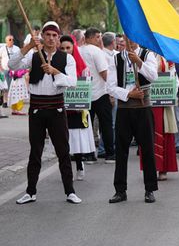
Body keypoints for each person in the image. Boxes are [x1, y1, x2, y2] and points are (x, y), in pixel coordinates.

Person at [10, 21, 82, 204]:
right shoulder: (33, 56)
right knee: (35, 151)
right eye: (47, 35)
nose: (51, 38)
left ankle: (70, 191)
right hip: (36, 109)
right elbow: (12, 65)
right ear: (42, 36)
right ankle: (30, 191)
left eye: (54, 35)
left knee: (63, 151)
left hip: (56, 108)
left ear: (58, 38)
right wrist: (28, 47)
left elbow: (73, 81)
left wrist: (55, 71)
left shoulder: (67, 59)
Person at [107, 36, 159, 204]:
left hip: (143, 109)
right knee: (121, 151)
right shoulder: (116, 58)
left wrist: (139, 63)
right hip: (124, 109)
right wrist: (129, 94)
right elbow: (110, 86)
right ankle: (120, 190)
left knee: (148, 149)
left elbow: (153, 77)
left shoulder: (147, 54)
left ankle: (150, 189)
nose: (129, 40)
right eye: (126, 36)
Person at [59, 35, 95, 182]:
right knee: (64, 140)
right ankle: (67, 170)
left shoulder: (83, 67)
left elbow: (87, 87)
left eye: (68, 48)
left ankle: (80, 165)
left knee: (77, 140)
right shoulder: (56, 65)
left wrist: (83, 102)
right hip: (62, 108)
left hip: (78, 110)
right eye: (62, 48)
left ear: (74, 48)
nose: (66, 51)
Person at [81, 27, 115, 163]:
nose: (100, 39)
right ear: (88, 38)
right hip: (101, 92)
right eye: (97, 37)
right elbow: (104, 72)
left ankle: (89, 154)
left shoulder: (78, 50)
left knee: (87, 125)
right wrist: (113, 89)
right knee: (106, 125)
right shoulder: (97, 51)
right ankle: (110, 154)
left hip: (84, 92)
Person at [146, 54, 179, 181]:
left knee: (163, 132)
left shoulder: (167, 57)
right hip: (147, 98)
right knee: (148, 134)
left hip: (163, 99)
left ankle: (162, 168)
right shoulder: (144, 54)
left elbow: (173, 78)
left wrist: (170, 94)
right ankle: (150, 168)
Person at [1, 35, 20, 112]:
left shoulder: (17, 48)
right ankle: (5, 101)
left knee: (14, 87)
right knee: (5, 87)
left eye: (12, 39)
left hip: (14, 70)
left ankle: (13, 102)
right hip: (4, 69)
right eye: (10, 39)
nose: (11, 40)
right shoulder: (2, 49)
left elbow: (19, 58)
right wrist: (1, 68)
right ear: (6, 41)